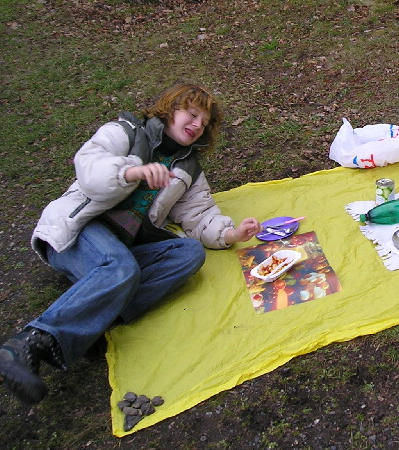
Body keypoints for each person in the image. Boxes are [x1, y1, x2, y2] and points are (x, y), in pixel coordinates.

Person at [0, 83, 262, 404]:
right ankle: (28, 344)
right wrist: (132, 172)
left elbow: (200, 215)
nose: (197, 125)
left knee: (190, 253)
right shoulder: (125, 132)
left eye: (204, 123)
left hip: (123, 246)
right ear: (170, 109)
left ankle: (98, 309)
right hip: (77, 231)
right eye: (192, 114)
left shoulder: (189, 168)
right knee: (120, 266)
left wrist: (232, 234)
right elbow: (89, 169)